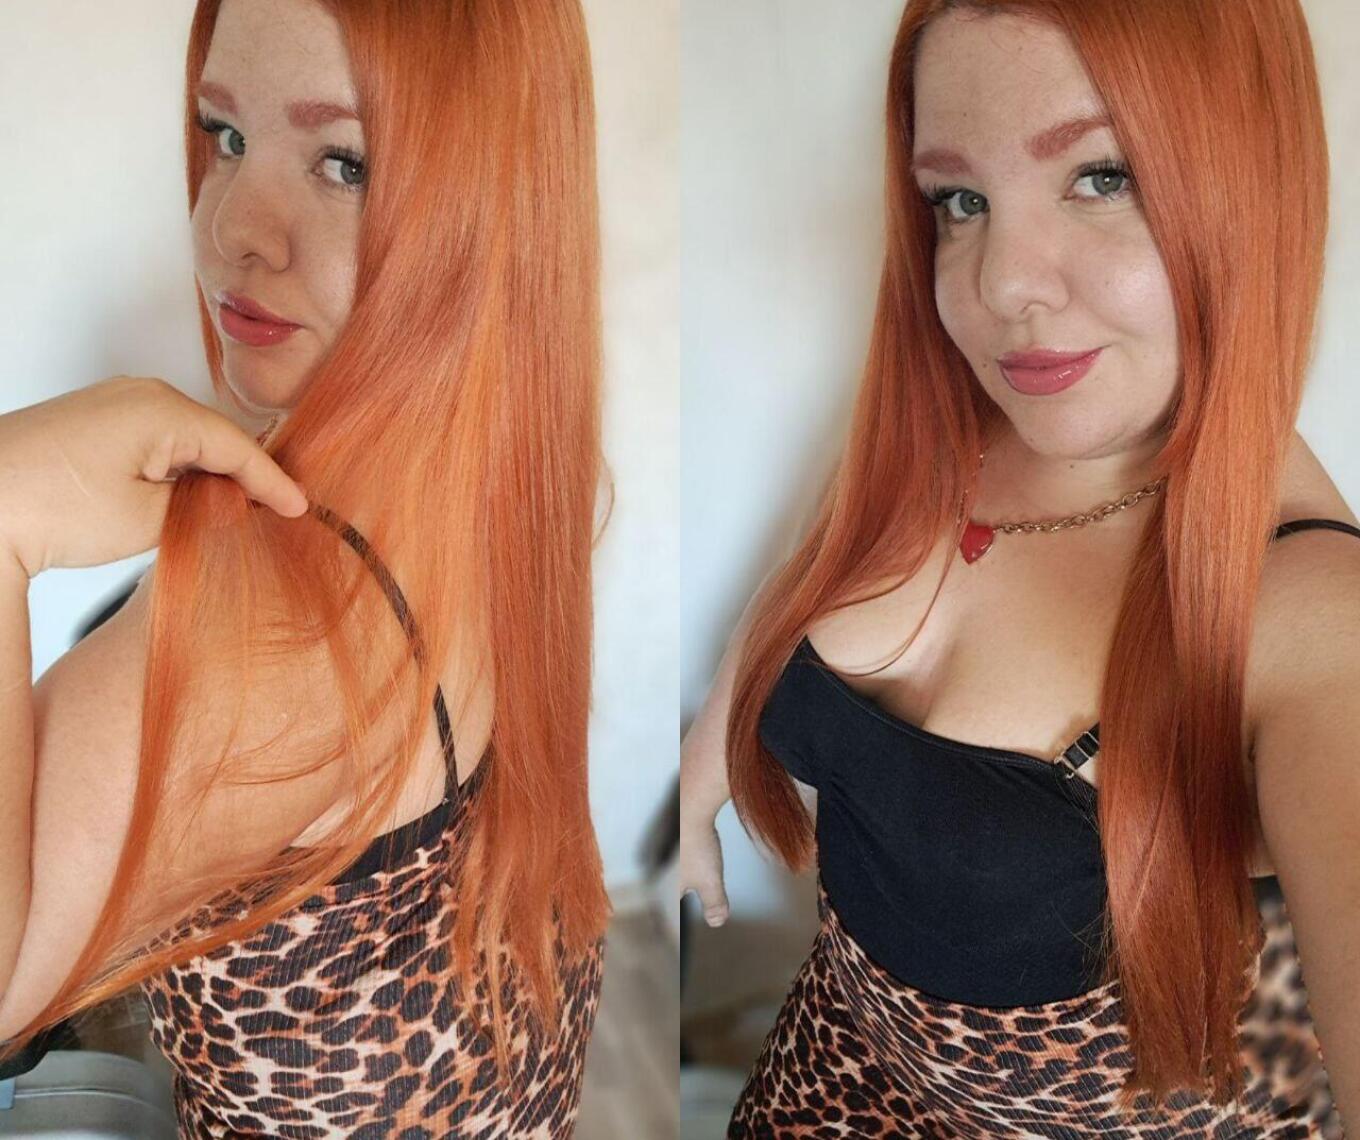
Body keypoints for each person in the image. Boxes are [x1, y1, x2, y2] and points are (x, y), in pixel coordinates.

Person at [680, 1, 1357, 1135]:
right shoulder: (954, 421)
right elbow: (814, 566)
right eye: (961, 200)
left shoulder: (1305, 619)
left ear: (1249, 187)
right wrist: (714, 743)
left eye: (1101, 177)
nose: (1001, 287)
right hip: (820, 1069)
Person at [0, 0, 610, 1135]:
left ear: (490, 210)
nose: (233, 227)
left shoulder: (283, 629)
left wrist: (4, 508)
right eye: (226, 135)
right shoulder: (511, 470)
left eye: (344, 163)